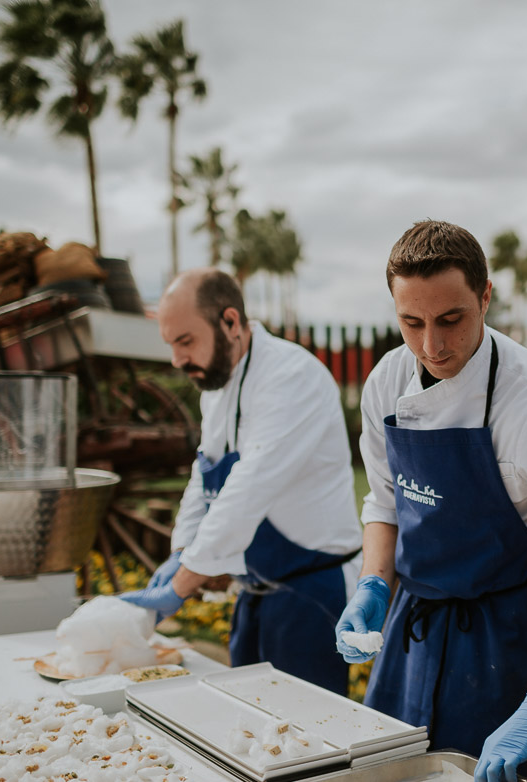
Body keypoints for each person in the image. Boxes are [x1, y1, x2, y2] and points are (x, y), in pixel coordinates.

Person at [334, 221, 527, 782]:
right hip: (414, 627)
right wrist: (373, 585)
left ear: (485, 297)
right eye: (412, 323)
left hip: (507, 637)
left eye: (451, 319)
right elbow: (384, 503)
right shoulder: (385, 383)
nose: (432, 346)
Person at [120, 268, 362, 695]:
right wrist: (181, 550)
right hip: (254, 589)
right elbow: (205, 475)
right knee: (246, 724)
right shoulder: (215, 384)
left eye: (186, 341)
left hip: (310, 593)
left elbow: (246, 492)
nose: (176, 360)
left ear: (230, 322)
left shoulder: (291, 378)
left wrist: (181, 586)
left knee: (309, 742)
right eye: (171, 344)